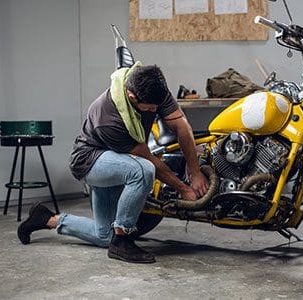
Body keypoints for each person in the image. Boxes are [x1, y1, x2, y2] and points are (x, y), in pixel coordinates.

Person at [17, 64, 209, 263]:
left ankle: (47, 219)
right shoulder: (107, 116)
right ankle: (123, 240)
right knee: (143, 171)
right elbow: (146, 158)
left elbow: (181, 125)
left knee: (104, 236)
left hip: (117, 158)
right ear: (132, 97)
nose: (154, 111)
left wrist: (195, 172)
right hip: (90, 160)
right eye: (150, 107)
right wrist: (183, 188)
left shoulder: (153, 86)